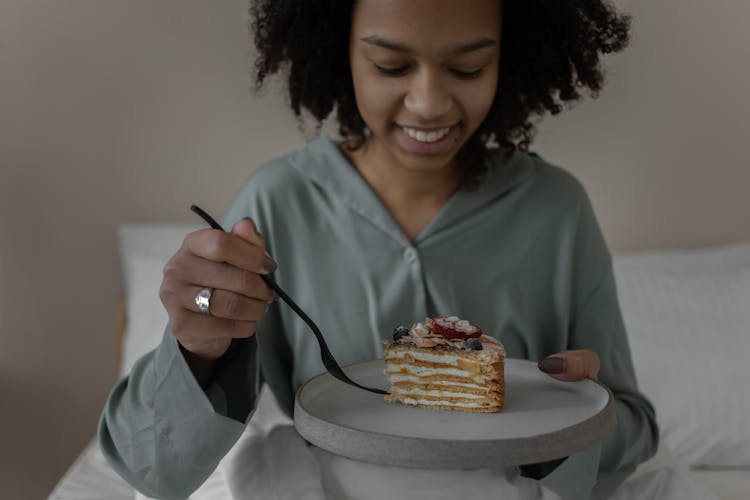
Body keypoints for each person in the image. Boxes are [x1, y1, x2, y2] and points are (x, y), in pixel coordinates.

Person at [99, 0, 658, 498]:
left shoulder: (558, 209)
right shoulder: (277, 203)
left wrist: (568, 424)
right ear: (338, 47)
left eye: (468, 67)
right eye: (391, 66)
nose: (429, 103)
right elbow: (152, 472)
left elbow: (635, 427)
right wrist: (197, 348)